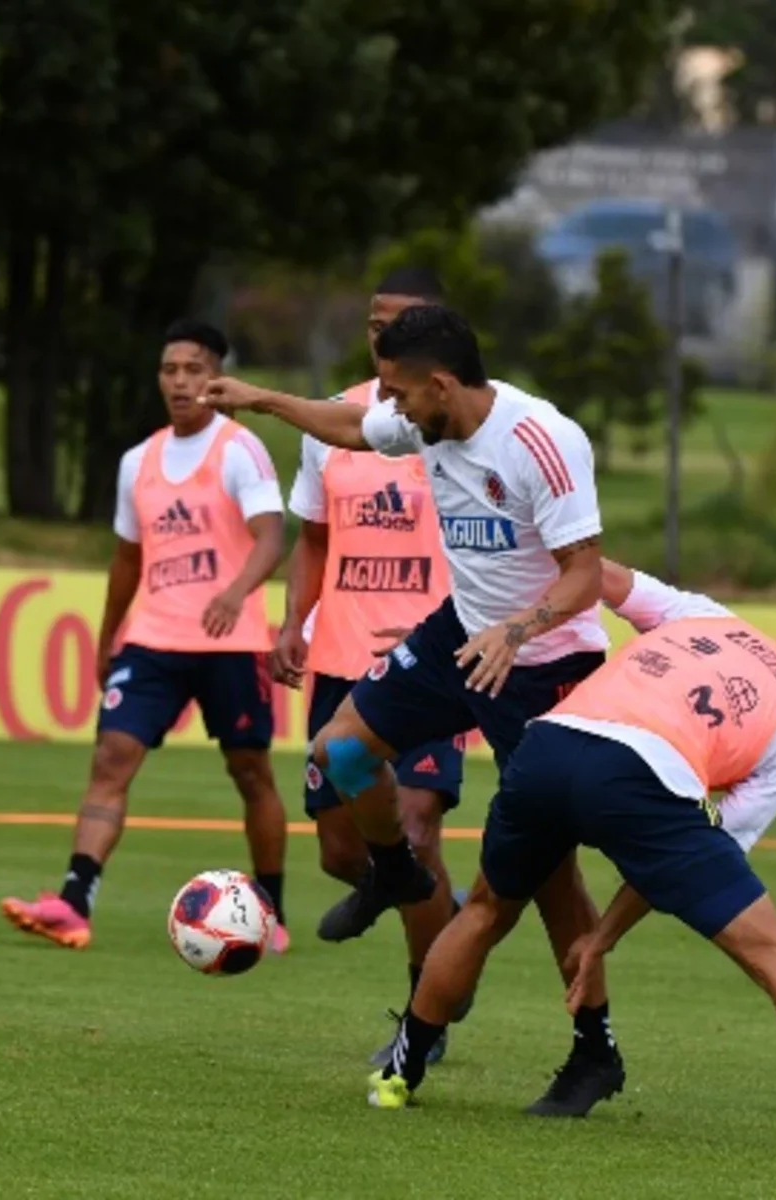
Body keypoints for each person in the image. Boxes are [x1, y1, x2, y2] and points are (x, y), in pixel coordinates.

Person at [370, 561, 776, 1162]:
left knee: (482, 913)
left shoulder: (707, 615)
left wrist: (503, 606)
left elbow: (600, 574)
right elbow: (694, 843)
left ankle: (398, 1075)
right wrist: (601, 940)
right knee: (775, 956)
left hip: (548, 746)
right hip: (640, 775)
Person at [202, 304, 624, 1118]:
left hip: (544, 668)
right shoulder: (422, 420)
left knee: (550, 877)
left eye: (398, 391)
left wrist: (517, 629)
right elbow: (350, 427)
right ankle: (395, 868)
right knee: (340, 753)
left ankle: (593, 1049)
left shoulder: (542, 438)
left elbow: (584, 573)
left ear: (442, 383)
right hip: (458, 637)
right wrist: (261, 400)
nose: (388, 405)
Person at [2, 320, 292, 953]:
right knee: (111, 758)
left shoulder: (239, 449)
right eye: (169, 370)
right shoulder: (138, 461)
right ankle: (74, 900)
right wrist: (109, 636)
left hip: (230, 641)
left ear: (216, 376)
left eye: (194, 369)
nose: (180, 382)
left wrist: (236, 592)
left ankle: (271, 910)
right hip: (154, 639)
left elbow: (271, 537)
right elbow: (127, 559)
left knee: (250, 772)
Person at [278, 267, 470, 1066]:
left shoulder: (457, 422)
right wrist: (293, 620)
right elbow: (313, 538)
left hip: (429, 667)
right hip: (340, 662)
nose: (383, 335)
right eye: (374, 323)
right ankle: (450, 916)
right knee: (342, 853)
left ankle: (425, 1018)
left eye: (402, 321)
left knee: (416, 831)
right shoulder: (333, 422)